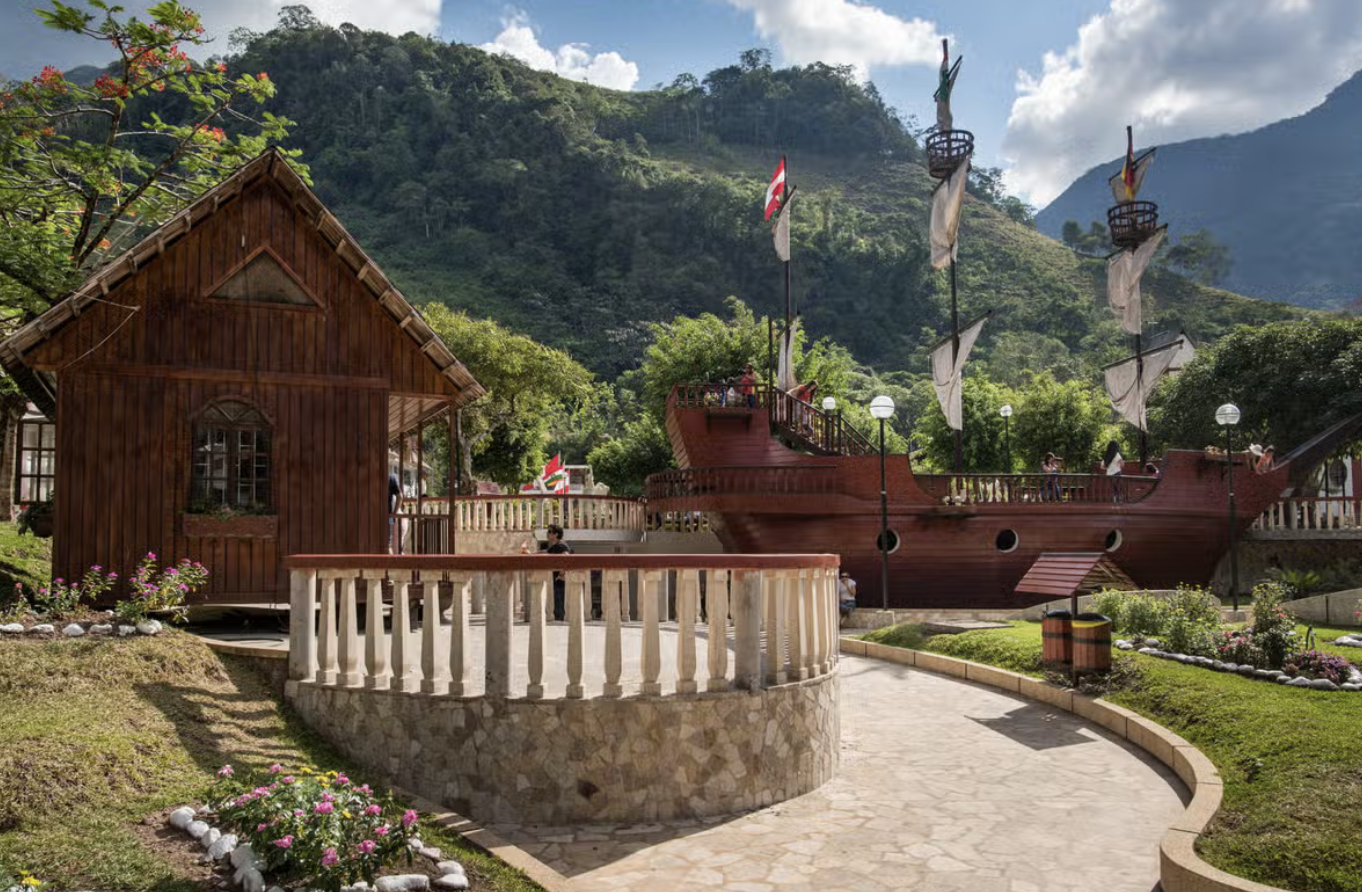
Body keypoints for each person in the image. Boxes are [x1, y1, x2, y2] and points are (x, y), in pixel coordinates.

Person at [544, 523, 572, 621]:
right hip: (555, 583)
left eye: (549, 532)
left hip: (560, 583)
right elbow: (546, 554)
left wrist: (561, 574)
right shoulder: (553, 547)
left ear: (556, 535)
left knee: (559, 609)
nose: (547, 534)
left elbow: (566, 557)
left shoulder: (561, 545)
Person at [387, 471, 403, 553]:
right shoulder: (391, 478)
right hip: (388, 516)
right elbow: (400, 496)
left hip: (369, 516)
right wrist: (394, 514)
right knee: (387, 544)